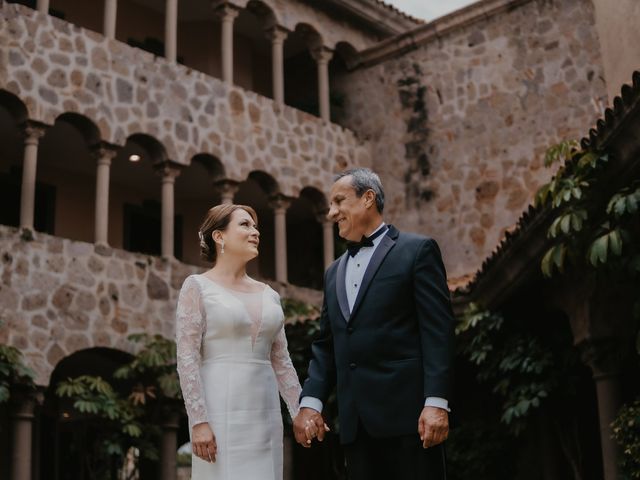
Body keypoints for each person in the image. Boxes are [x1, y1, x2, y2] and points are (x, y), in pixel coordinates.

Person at [293, 168, 455, 480]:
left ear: (368, 198)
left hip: (411, 421)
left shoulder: (417, 251)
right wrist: (310, 404)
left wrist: (436, 402)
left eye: (339, 201)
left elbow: (438, 332)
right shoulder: (332, 273)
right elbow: (326, 345)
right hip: (356, 426)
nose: (331, 213)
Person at [176, 204, 302, 480]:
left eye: (255, 226)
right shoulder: (197, 287)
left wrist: (299, 411)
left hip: (265, 414)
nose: (255, 232)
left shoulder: (270, 295)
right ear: (219, 236)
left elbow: (281, 361)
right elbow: (186, 359)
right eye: (245, 225)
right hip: (220, 409)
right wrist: (199, 421)